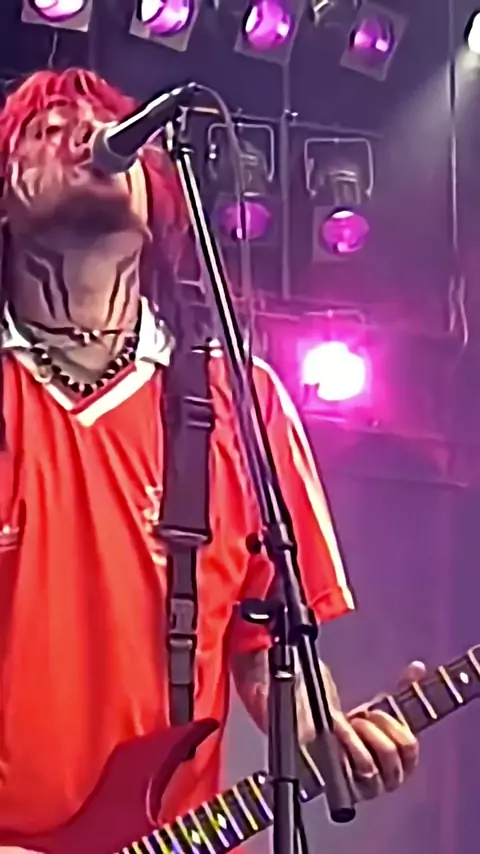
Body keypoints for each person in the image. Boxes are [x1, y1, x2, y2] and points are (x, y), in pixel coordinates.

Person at [0, 68, 423, 850]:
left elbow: (266, 645)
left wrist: (322, 729)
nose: (84, 137)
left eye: (100, 126)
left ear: (156, 194)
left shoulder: (242, 399)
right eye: (47, 131)